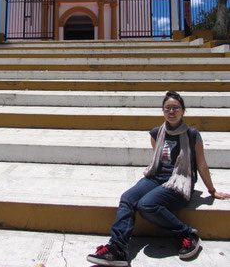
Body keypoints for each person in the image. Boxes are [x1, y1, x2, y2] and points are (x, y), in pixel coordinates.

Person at [87, 91, 230, 266]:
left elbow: (201, 165)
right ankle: (117, 248)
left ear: (183, 111)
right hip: (157, 177)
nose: (171, 111)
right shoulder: (156, 133)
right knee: (127, 198)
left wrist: (212, 191)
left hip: (180, 181)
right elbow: (158, 160)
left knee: (146, 204)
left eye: (175, 108)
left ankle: (187, 234)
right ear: (163, 111)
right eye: (167, 108)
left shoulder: (192, 134)